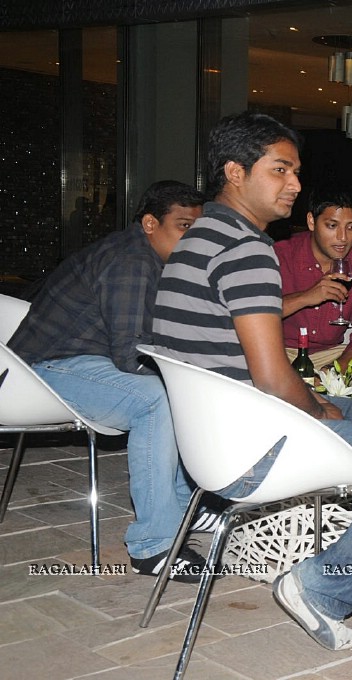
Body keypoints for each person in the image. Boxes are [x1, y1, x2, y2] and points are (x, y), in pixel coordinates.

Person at [151, 111, 352, 652]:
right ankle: (321, 585)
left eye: (295, 171)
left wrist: (316, 398)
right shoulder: (247, 250)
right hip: (253, 445)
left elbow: (246, 362)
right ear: (235, 172)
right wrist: (318, 412)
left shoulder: (197, 240)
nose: (294, 184)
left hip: (212, 435)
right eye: (280, 170)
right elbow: (272, 377)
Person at [8, 180, 209, 580]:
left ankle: (186, 510)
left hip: (77, 361)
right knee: (160, 400)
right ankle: (155, 547)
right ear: (150, 223)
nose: (192, 241)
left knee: (187, 390)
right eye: (183, 227)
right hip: (43, 371)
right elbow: (131, 354)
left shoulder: (152, 258)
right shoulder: (132, 262)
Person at [274, 186, 352, 380]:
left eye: (351, 227)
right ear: (311, 221)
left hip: (332, 354)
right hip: (281, 351)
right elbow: (252, 314)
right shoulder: (280, 255)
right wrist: (305, 297)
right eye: (332, 226)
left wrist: (334, 371)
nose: (343, 238)